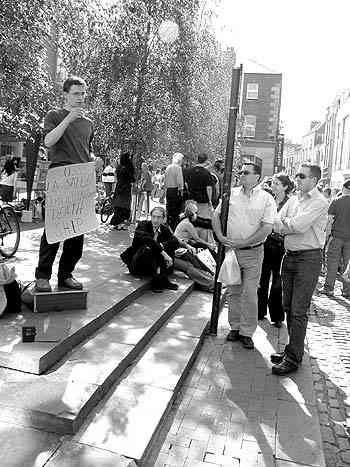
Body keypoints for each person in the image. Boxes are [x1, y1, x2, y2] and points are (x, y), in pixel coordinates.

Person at [34, 76, 94, 292]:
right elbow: (49, 141)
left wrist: (94, 161)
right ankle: (42, 276)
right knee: (54, 228)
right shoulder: (55, 115)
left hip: (82, 180)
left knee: (78, 230)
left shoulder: (88, 123)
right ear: (66, 94)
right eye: (76, 93)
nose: (81, 97)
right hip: (60, 178)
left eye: (83, 93)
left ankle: (66, 274)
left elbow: (85, 149)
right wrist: (68, 119)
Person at [271, 164, 328, 375]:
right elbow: (277, 221)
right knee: (287, 306)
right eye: (297, 175)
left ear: (314, 180)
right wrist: (286, 224)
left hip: (308, 259)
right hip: (290, 257)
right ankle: (291, 350)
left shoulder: (320, 202)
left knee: (298, 310)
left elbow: (298, 226)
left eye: (302, 176)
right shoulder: (294, 199)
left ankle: (293, 358)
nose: (297, 179)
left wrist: (285, 224)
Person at [213, 162, 277, 350]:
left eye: (246, 172)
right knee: (234, 291)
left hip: (253, 252)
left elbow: (267, 227)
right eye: (240, 172)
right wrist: (220, 237)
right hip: (232, 251)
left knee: (250, 293)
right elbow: (216, 216)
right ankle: (235, 327)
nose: (241, 174)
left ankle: (247, 332)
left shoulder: (266, 199)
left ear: (257, 176)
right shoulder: (230, 194)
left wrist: (245, 242)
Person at [258, 174, 294, 327]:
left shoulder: (291, 202)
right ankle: (259, 311)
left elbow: (290, 223)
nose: (274, 186)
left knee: (278, 282)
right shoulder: (268, 199)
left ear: (285, 187)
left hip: (281, 246)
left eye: (278, 184)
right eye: (273, 183)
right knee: (262, 278)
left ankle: (277, 316)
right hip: (266, 243)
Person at [120, 206, 179, 292]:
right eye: (154, 217)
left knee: (163, 247)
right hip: (138, 263)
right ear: (150, 217)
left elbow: (175, 241)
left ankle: (160, 275)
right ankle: (158, 279)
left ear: (163, 219)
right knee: (149, 248)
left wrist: (162, 245)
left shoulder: (164, 228)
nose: (155, 220)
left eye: (158, 217)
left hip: (153, 263)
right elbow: (148, 240)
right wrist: (164, 254)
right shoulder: (142, 225)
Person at [319, 179, 350, 298]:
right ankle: (347, 291)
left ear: (343, 188)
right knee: (347, 264)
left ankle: (329, 288)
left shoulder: (336, 201)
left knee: (332, 262)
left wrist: (326, 237)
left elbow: (329, 220)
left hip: (336, 237)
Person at [110, 153, 135, 230]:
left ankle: (117, 223)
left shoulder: (119, 168)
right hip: (126, 189)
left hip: (119, 188)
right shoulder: (128, 168)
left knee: (118, 206)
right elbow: (132, 179)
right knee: (124, 206)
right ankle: (122, 224)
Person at [164, 153, 184, 230]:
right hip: (175, 190)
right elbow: (179, 181)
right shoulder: (178, 168)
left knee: (169, 208)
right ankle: (174, 226)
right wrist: (181, 191)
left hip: (168, 190)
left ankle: (168, 223)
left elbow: (165, 181)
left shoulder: (168, 167)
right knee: (176, 210)